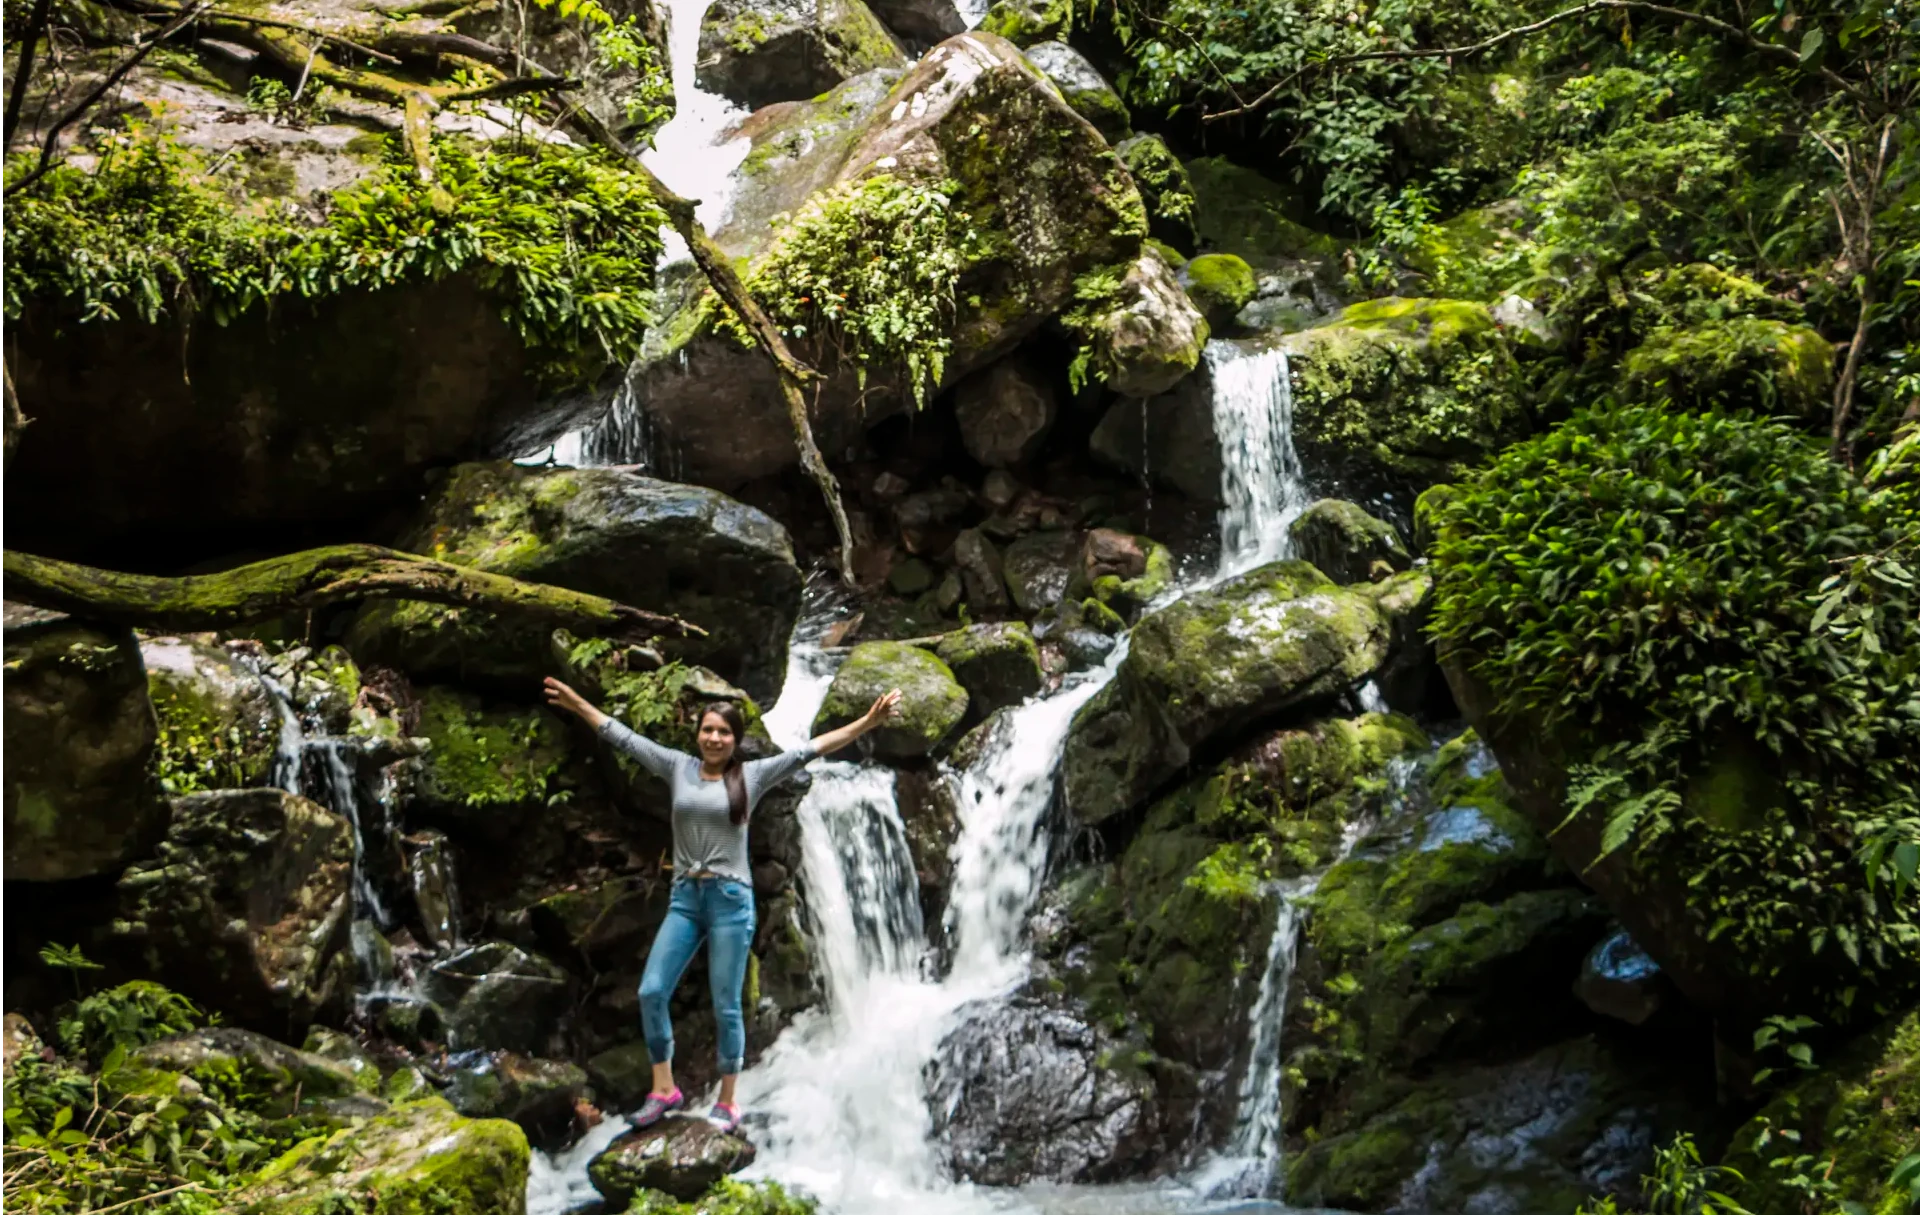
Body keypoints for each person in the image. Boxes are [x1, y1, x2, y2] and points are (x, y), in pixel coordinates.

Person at [543, 675, 901, 1133]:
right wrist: (577, 703)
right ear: (698, 735)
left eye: (723, 732)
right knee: (652, 991)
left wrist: (867, 722)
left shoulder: (752, 776)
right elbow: (622, 736)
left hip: (731, 901)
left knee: (726, 1004)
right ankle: (663, 1087)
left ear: (734, 741)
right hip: (685, 899)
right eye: (708, 730)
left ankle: (728, 1100)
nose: (714, 738)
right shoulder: (677, 767)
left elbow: (814, 748)